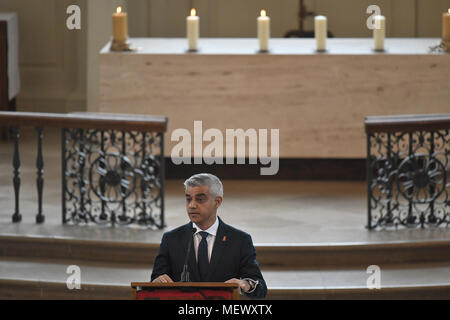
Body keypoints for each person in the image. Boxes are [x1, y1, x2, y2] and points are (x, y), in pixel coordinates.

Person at [151, 173, 267, 299]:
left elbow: (260, 289)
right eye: (189, 199)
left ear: (217, 202)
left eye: (200, 199)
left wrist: (245, 284)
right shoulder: (171, 239)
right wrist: (158, 281)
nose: (192, 205)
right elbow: (154, 282)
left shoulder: (240, 240)